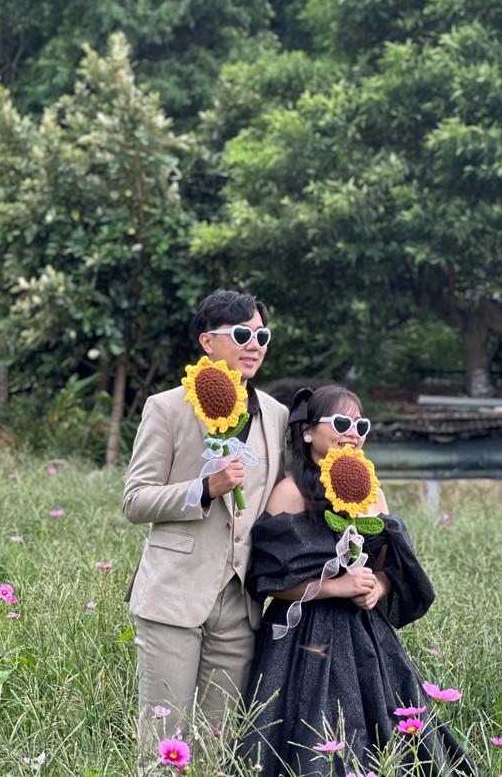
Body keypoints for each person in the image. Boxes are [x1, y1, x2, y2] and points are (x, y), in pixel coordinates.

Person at [242, 385, 476, 777]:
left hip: (366, 633)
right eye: (341, 423)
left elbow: (390, 567)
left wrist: (377, 588)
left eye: (360, 425)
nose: (353, 433)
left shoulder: (373, 493)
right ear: (307, 431)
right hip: (304, 637)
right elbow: (270, 579)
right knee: (311, 735)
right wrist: (336, 586)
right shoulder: (290, 493)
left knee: (388, 737)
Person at [122, 288, 288, 767]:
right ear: (207, 341)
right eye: (241, 334)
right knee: (163, 745)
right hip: (173, 596)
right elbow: (135, 501)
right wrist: (204, 488)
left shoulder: (275, 415)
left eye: (261, 336)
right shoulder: (167, 407)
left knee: (220, 746)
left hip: (241, 604)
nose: (254, 345)